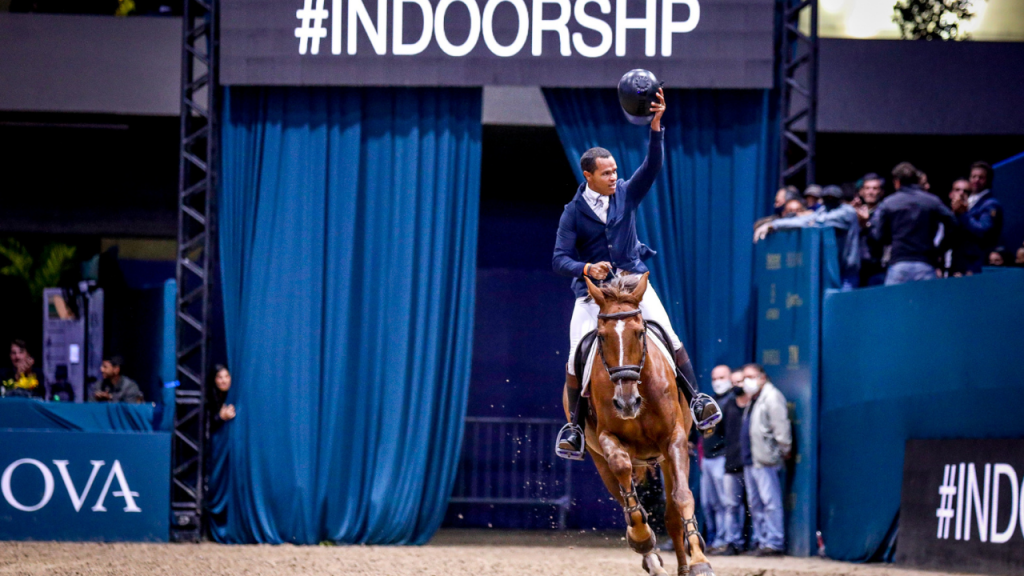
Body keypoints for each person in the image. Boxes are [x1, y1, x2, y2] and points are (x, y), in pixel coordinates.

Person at [552, 88, 721, 459]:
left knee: (670, 337)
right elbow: (559, 258)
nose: (615, 177)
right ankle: (575, 429)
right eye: (607, 173)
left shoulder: (627, 193)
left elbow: (653, 166)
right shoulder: (573, 212)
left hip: (633, 286)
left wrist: (656, 126)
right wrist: (584, 268)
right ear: (588, 176)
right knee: (574, 357)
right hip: (593, 295)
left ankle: (697, 401)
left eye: (615, 171)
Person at [755, 185, 860, 290]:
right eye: (827, 198)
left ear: (840, 200)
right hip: (830, 270)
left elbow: (818, 220)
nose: (830, 201)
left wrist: (775, 224)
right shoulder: (824, 210)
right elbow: (809, 219)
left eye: (833, 198)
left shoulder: (847, 212)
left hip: (848, 272)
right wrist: (772, 224)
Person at [867, 162, 956, 286]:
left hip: (899, 263)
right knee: (927, 304)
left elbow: (876, 234)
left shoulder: (888, 203)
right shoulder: (931, 201)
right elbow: (953, 223)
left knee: (894, 304)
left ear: (897, 182)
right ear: (916, 179)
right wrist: (941, 247)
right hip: (926, 263)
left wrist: (888, 239)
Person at [740, 363, 791, 557]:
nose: (747, 381)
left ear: (762, 377)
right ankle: (761, 541)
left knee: (770, 503)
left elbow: (781, 427)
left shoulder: (772, 396)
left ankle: (774, 542)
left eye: (750, 376)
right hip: (751, 459)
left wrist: (782, 450)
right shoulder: (754, 399)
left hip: (765, 459)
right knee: (756, 504)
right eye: (744, 377)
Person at [701, 365, 734, 553]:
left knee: (725, 503)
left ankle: (725, 540)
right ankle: (714, 539)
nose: (718, 382)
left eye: (722, 377)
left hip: (722, 458)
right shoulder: (711, 401)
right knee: (709, 503)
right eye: (714, 378)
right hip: (708, 458)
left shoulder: (731, 401)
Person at [950, 161, 1003, 275]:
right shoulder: (969, 201)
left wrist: (963, 214)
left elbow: (982, 230)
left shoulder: (990, 204)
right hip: (961, 261)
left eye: (981, 177)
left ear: (988, 180)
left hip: (977, 263)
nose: (976, 180)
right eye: (973, 176)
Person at [855, 174, 887, 286]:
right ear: (861, 192)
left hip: (878, 266)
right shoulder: (854, 212)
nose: (870, 192)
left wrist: (866, 224)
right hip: (856, 267)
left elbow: (881, 237)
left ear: (881, 192)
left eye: (875, 188)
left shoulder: (885, 212)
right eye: (867, 188)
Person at [209, 364, 236, 433]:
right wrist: (221, 416)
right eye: (220, 377)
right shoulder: (209, 397)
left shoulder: (234, 393)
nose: (224, 381)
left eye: (227, 376)